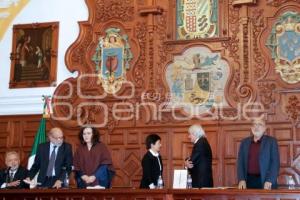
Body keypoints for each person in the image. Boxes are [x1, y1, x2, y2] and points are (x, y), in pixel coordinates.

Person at [237, 119, 280, 189]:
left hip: (266, 181)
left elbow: (275, 163)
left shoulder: (271, 142)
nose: (256, 127)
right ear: (251, 128)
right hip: (248, 181)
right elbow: (240, 162)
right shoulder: (244, 142)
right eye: (254, 124)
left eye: (260, 124)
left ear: (265, 128)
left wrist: (269, 180)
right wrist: (241, 179)